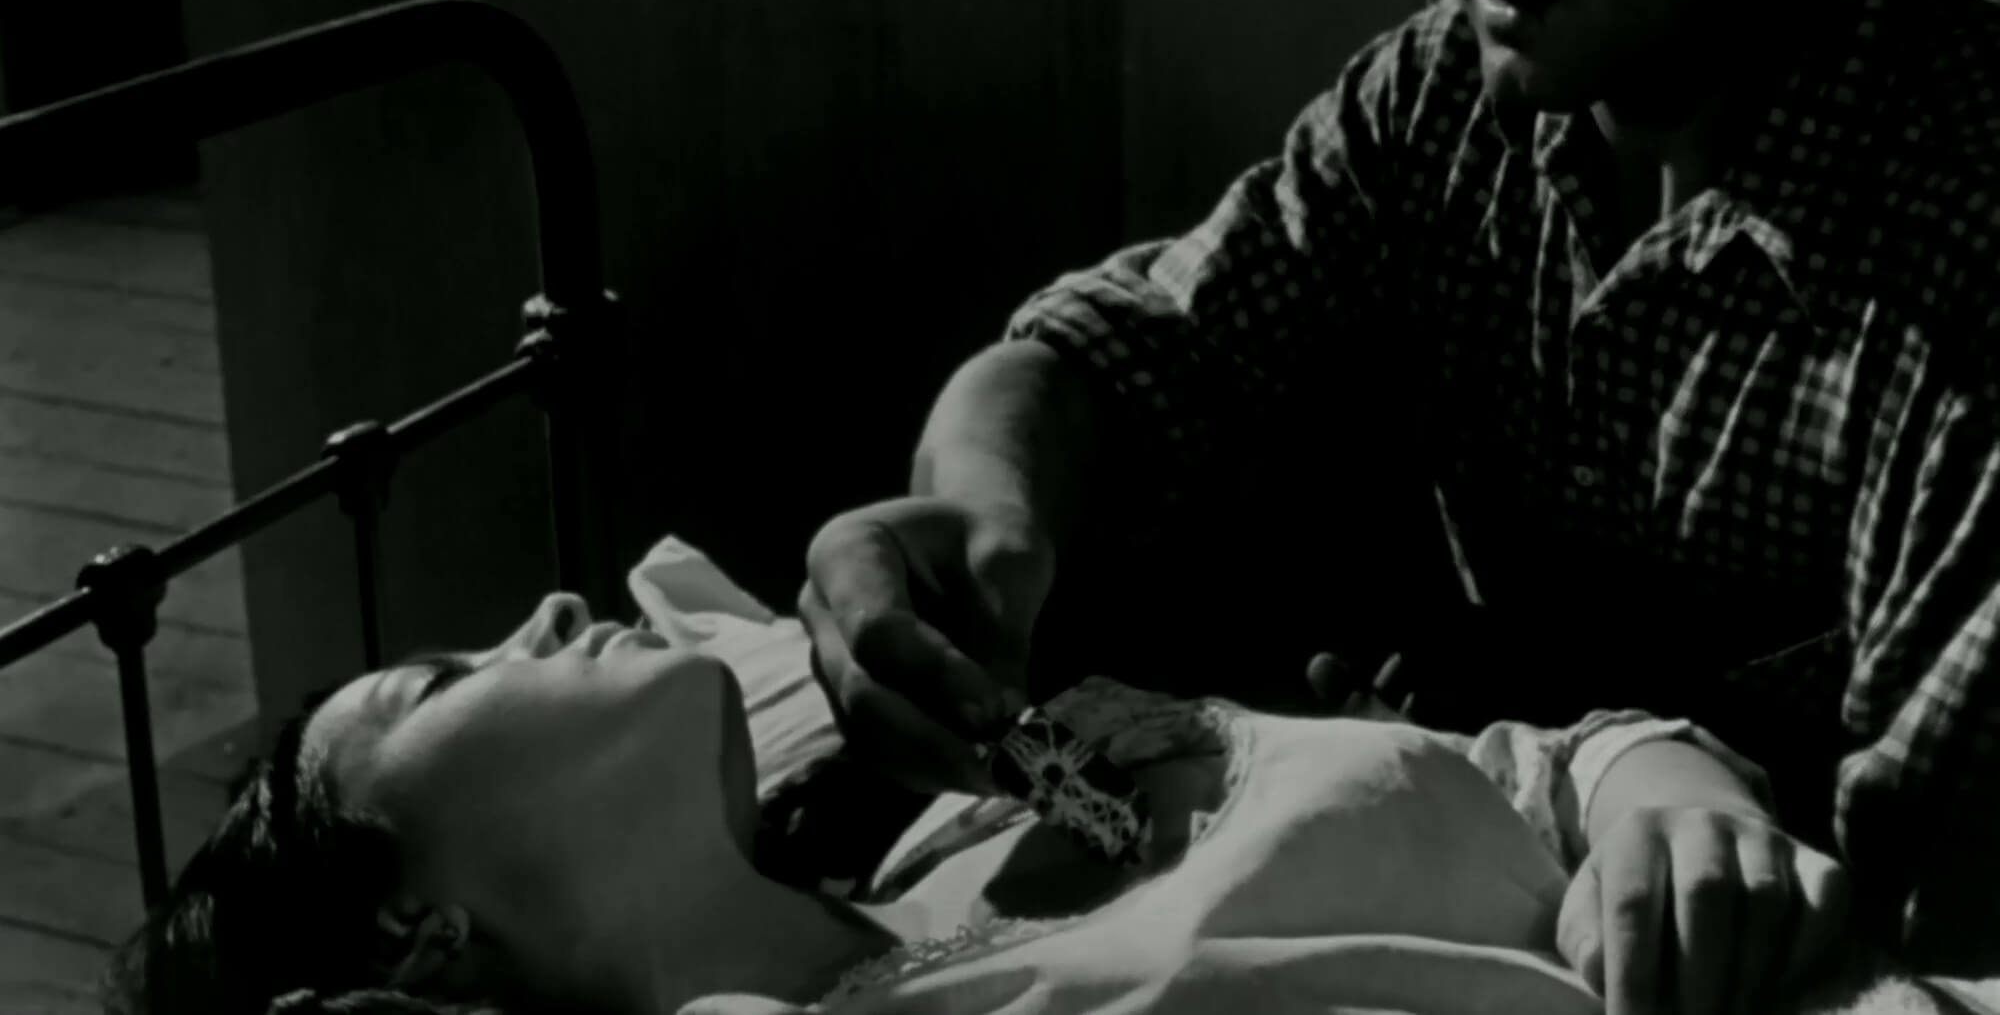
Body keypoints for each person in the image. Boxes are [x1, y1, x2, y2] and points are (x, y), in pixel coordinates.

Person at [798, 0, 2000, 991]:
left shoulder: (1964, 250)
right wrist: (981, 510)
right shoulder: (1436, 103)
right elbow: (1117, 357)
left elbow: (1935, 929)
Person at [108, 590, 1907, 1015]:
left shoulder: (1000, 802)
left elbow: (1530, 759)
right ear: (417, 939)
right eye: (444, 680)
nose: (550, 611)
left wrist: (1657, 782)